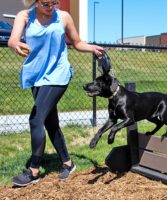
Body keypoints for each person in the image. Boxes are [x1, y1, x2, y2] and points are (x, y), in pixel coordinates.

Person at [8, 0, 104, 187]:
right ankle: (68, 163)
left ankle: (34, 171)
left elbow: (76, 42)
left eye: (55, 2)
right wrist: (15, 44)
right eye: (46, 3)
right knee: (50, 122)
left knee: (36, 119)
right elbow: (13, 39)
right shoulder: (25, 16)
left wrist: (92, 47)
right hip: (36, 75)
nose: (51, 6)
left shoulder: (64, 17)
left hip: (58, 74)